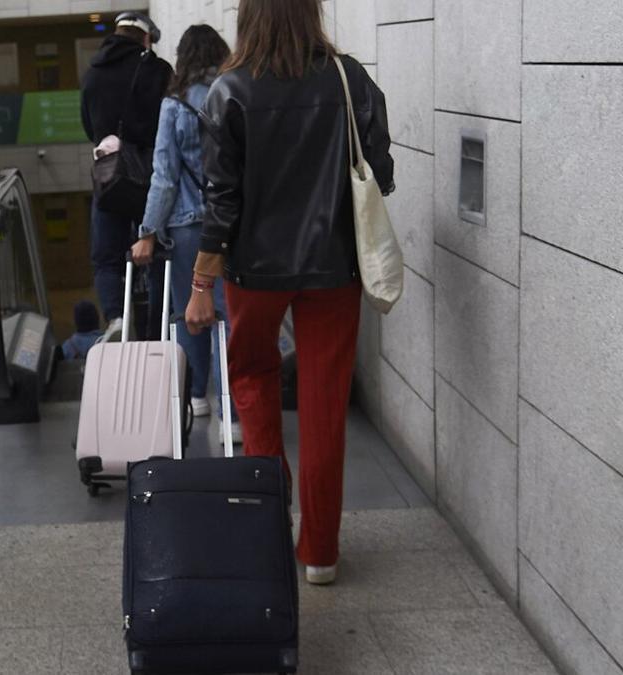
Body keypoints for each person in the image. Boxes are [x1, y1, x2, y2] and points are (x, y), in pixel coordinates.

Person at [185, 0, 394, 587]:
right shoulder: (349, 78)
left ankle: (267, 525)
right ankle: (321, 553)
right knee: (326, 401)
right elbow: (382, 169)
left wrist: (202, 283)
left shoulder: (228, 90)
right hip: (334, 269)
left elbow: (220, 203)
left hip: (253, 273)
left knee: (252, 380)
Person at [131, 25, 236, 434]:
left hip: (189, 228)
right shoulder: (235, 95)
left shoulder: (174, 106)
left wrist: (147, 230)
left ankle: (197, 397)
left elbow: (165, 178)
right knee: (226, 316)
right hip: (231, 224)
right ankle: (235, 413)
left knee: (189, 314)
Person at [80, 12, 173, 342]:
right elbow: (169, 120)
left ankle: (117, 317)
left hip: (110, 175)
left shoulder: (93, 74)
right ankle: (161, 320)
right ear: (146, 39)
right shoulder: (158, 71)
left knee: (106, 256)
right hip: (151, 174)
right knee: (157, 250)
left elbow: (89, 126)